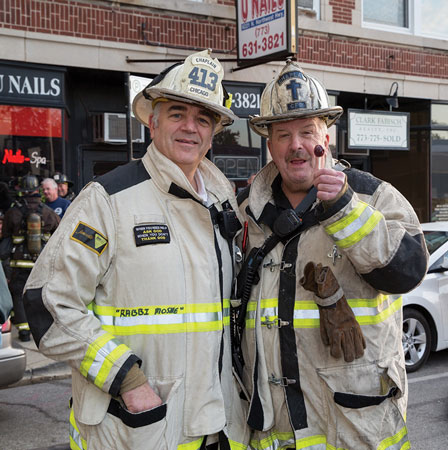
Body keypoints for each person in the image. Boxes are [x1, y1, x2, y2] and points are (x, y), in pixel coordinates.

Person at [23, 50, 250, 450]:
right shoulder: (107, 199)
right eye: (177, 113)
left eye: (203, 118)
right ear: (153, 120)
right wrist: (127, 378)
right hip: (138, 429)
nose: (189, 128)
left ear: (214, 132)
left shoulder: (222, 202)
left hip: (217, 428)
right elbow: (48, 303)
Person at [236, 60, 429, 450]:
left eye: (308, 132)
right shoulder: (245, 211)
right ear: (269, 143)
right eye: (283, 135)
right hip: (273, 432)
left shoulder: (373, 196)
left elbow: (408, 269)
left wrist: (346, 210)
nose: (296, 146)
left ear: (327, 136)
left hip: (354, 431)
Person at [0, 175, 60, 341]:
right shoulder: (49, 213)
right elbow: (60, 236)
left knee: (19, 296)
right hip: (41, 264)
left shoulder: (13, 213)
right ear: (37, 191)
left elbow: (5, 238)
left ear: (22, 191)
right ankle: (42, 331)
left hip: (19, 264)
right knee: (40, 296)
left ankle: (24, 332)